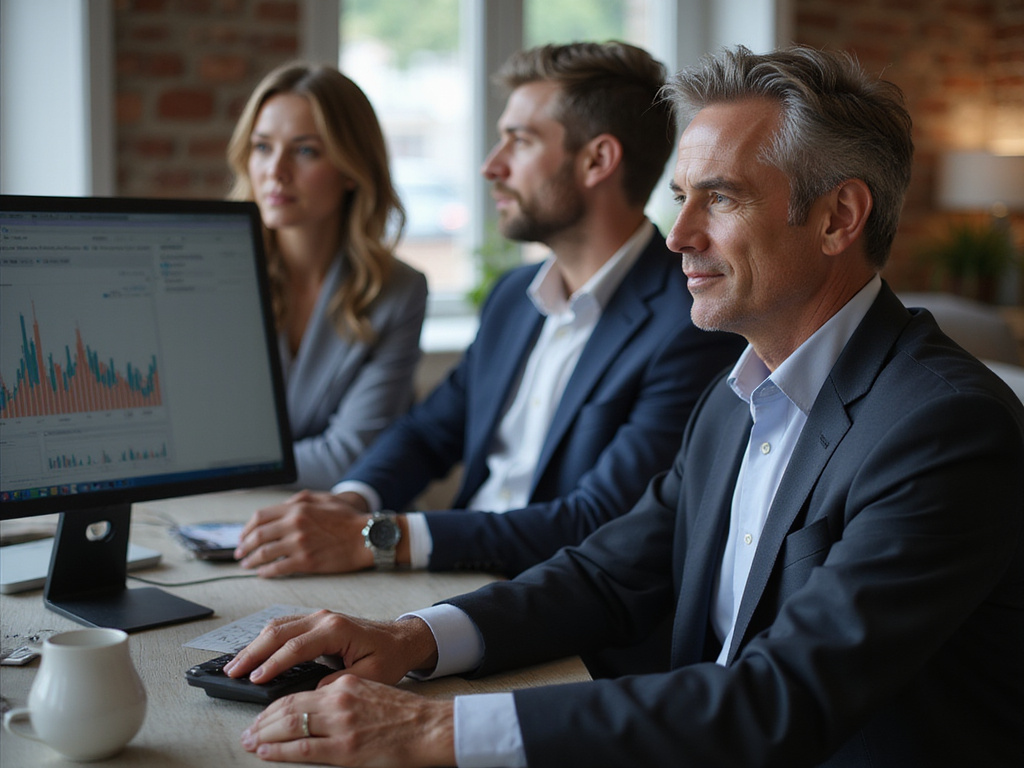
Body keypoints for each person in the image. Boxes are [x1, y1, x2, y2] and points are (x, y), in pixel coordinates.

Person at [226, 45, 1024, 767]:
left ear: (837, 217)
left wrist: (436, 731)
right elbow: (609, 575)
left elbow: (782, 701)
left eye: (719, 199)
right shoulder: (740, 392)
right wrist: (410, 638)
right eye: (681, 196)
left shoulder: (942, 427)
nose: (676, 234)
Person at [233, 42, 744, 582]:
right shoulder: (512, 298)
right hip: (448, 571)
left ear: (597, 160)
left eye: (518, 142)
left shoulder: (690, 323)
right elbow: (428, 432)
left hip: (552, 606)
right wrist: (350, 503)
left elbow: (600, 520)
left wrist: (380, 536)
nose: (490, 167)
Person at [227, 62, 428, 490]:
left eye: (305, 151)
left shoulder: (398, 291)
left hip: (340, 519)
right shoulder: (212, 273)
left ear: (352, 170)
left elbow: (350, 456)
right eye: (262, 147)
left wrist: (220, 466)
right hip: (216, 517)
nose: (275, 171)